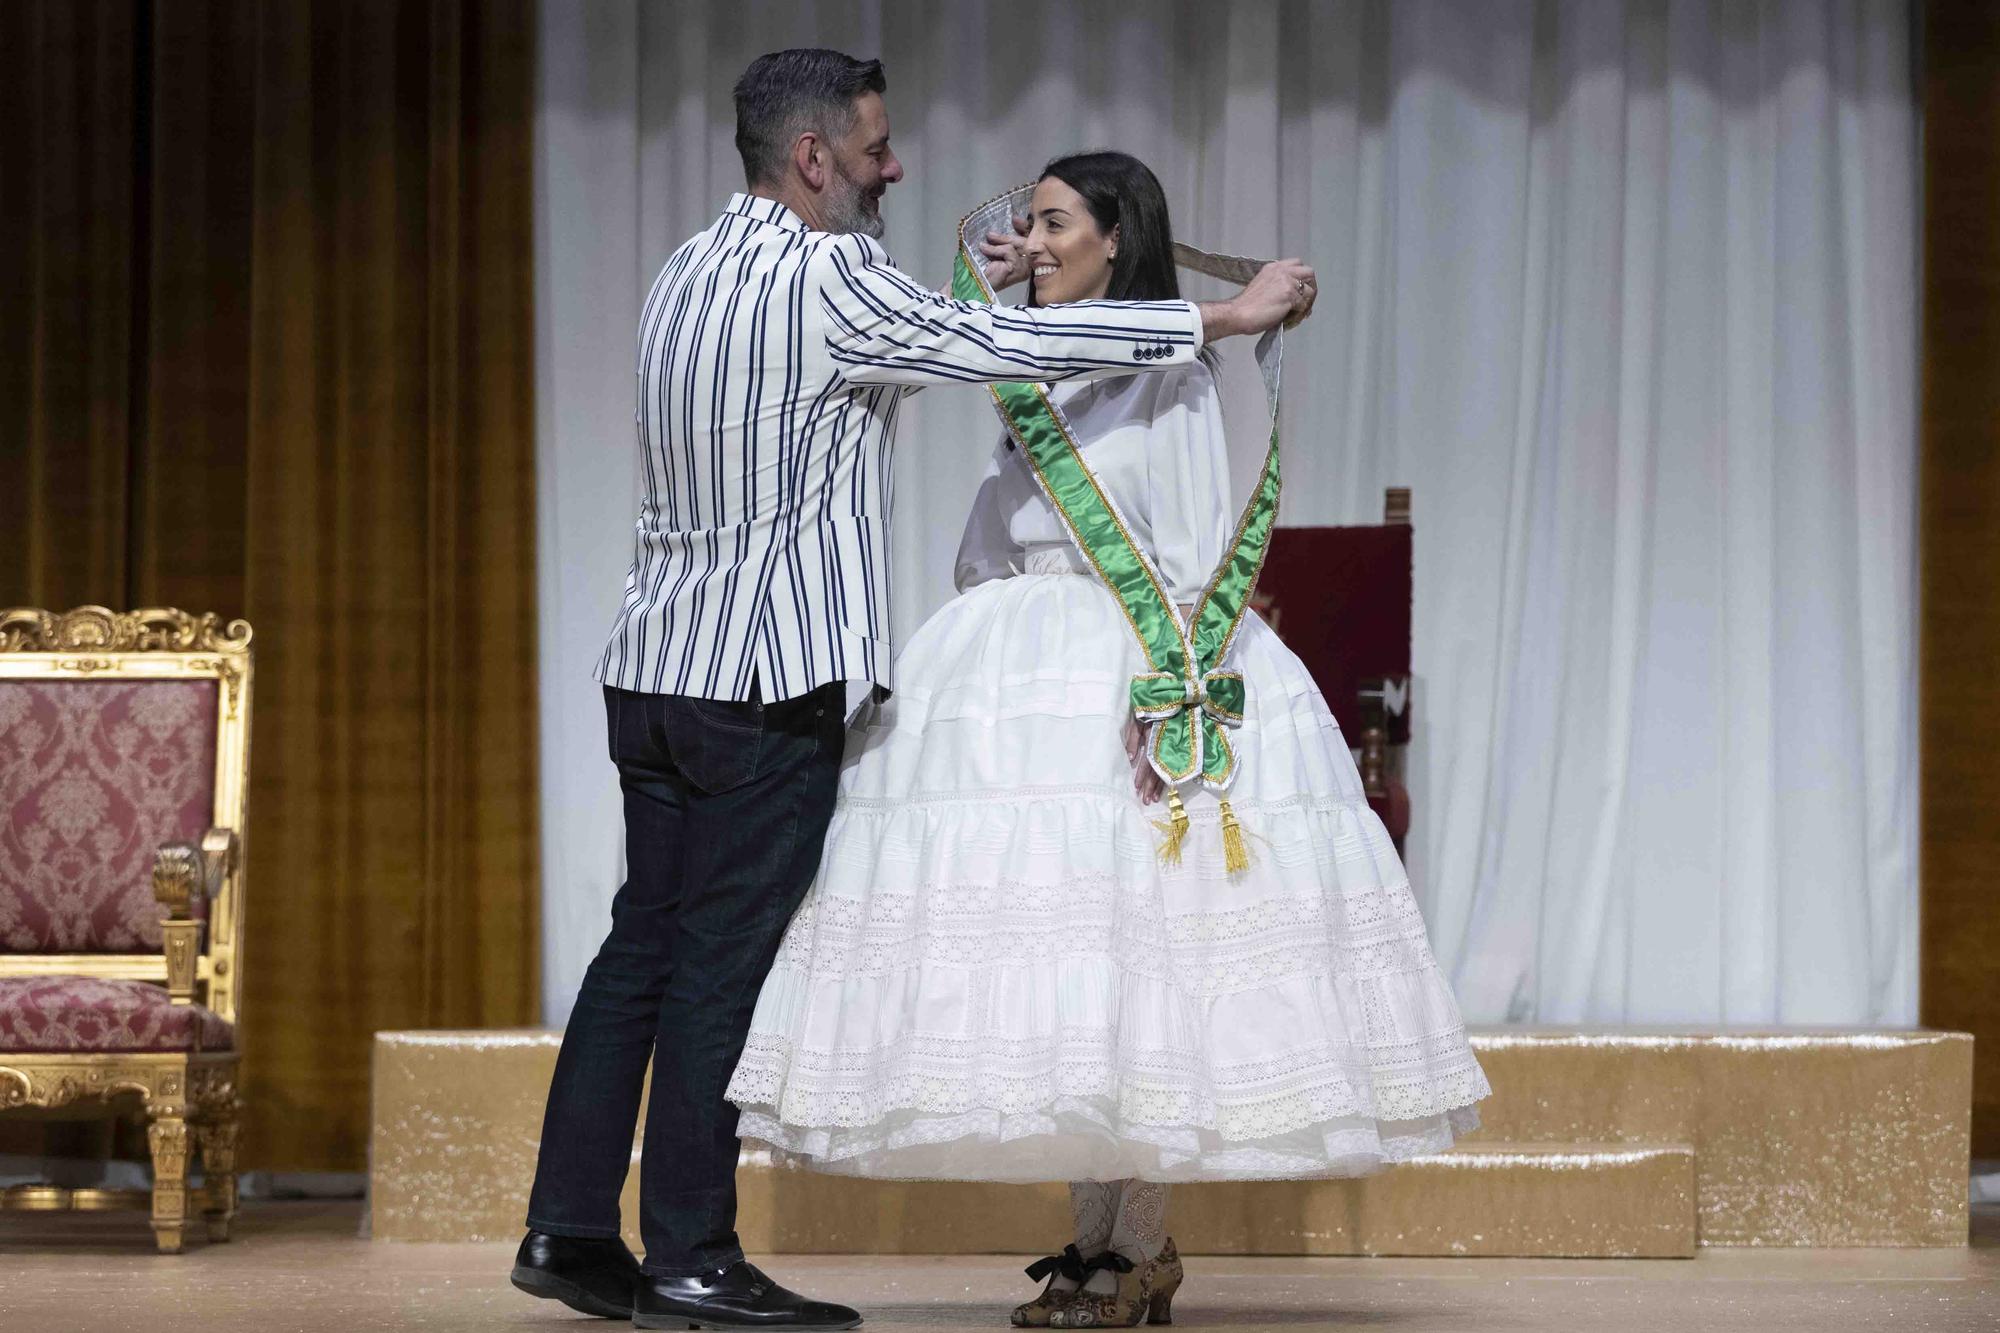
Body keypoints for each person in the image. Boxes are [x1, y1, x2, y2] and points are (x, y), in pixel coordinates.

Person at [511, 50, 1316, 1333]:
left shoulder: (685, 267)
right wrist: (1225, 314)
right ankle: (689, 1257)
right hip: (762, 676)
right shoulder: (830, 273)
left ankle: (565, 1229)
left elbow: (949, 341)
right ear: (815, 156)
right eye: (877, 148)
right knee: (719, 965)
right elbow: (989, 343)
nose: (898, 170)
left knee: (640, 951)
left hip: (652, 667)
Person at [724, 151, 1487, 1328]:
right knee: (1069, 978)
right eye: (1024, 225)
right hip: (1017, 659)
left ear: (1115, 238)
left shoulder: (1167, 369)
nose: (1029, 244)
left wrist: (1165, 683)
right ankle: (1091, 1235)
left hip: (1132, 662)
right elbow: (993, 526)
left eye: (1052, 224)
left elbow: (1186, 544)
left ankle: (1137, 1243)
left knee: (1147, 953)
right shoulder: (1027, 365)